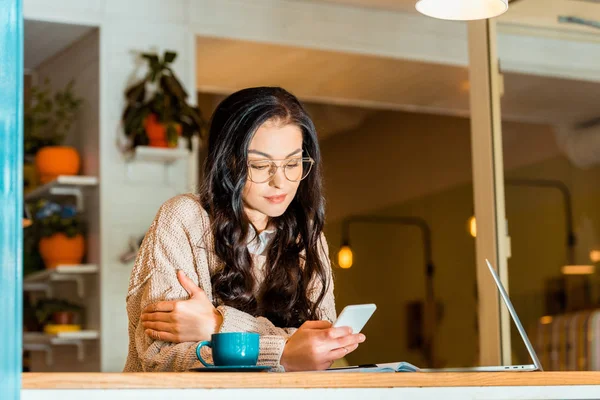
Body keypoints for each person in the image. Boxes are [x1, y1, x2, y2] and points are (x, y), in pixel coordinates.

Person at [124, 87, 365, 372]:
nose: (281, 182)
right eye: (260, 165)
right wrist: (283, 352)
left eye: (293, 163)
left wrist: (216, 324)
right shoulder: (183, 218)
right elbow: (160, 358)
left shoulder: (306, 233)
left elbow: (323, 348)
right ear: (228, 162)